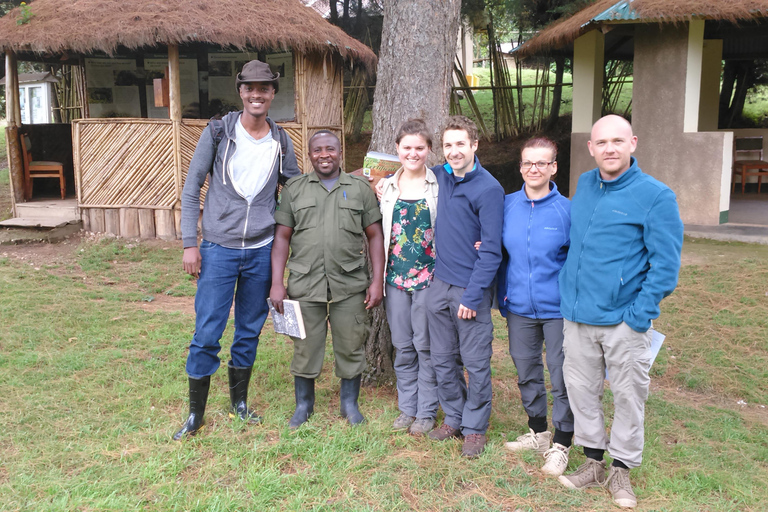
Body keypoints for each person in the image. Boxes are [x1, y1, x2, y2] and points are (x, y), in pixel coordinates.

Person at [557, 115, 683, 508]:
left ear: (633, 143)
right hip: (577, 317)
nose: (610, 149)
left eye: (618, 141)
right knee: (581, 391)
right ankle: (593, 461)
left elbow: (666, 266)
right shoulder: (585, 185)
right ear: (591, 148)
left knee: (628, 396)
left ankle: (621, 470)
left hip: (623, 321)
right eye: (602, 142)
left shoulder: (656, 196)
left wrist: (638, 315)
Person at [174, 60, 300, 440]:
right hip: (217, 249)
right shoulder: (217, 132)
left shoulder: (281, 140)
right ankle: (196, 414)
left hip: (261, 251)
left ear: (273, 93)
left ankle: (239, 403)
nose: (257, 95)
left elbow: (295, 190)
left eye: (264, 88)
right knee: (207, 331)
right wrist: (189, 244)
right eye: (250, 88)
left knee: (248, 331)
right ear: (240, 91)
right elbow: (192, 185)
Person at [270, 130, 385, 428]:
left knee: (351, 343)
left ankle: (349, 404)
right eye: (318, 150)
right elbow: (282, 238)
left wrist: (376, 281)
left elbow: (374, 236)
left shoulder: (360, 188)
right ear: (309, 155)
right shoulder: (294, 189)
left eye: (330, 149)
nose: (324, 154)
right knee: (305, 345)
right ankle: (304, 406)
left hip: (350, 284)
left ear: (340, 152)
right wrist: (277, 282)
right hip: (305, 283)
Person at [425, 115, 504, 458]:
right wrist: (379, 182)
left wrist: (473, 296)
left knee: (475, 363)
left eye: (461, 144)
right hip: (438, 285)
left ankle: (475, 427)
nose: (454, 151)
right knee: (442, 360)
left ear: (474, 145)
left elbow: (491, 250)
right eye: (448, 145)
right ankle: (454, 417)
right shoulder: (441, 176)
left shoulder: (488, 188)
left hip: (469, 289)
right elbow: (397, 168)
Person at [497, 137, 574, 476]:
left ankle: (562, 443)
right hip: (519, 309)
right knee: (527, 373)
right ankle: (538, 432)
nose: (534, 169)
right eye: (528, 162)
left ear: (554, 167)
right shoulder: (507, 205)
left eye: (542, 163)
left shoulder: (567, 211)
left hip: (558, 309)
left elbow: (578, 261)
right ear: (520, 166)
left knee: (561, 376)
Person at [378, 119, 440, 435]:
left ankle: (427, 411)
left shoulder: (439, 186)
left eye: (419, 148)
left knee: (425, 345)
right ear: (398, 149)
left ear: (428, 150)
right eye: (407, 148)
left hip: (430, 278)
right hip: (395, 279)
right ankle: (407, 409)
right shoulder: (387, 186)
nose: (413, 154)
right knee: (403, 346)